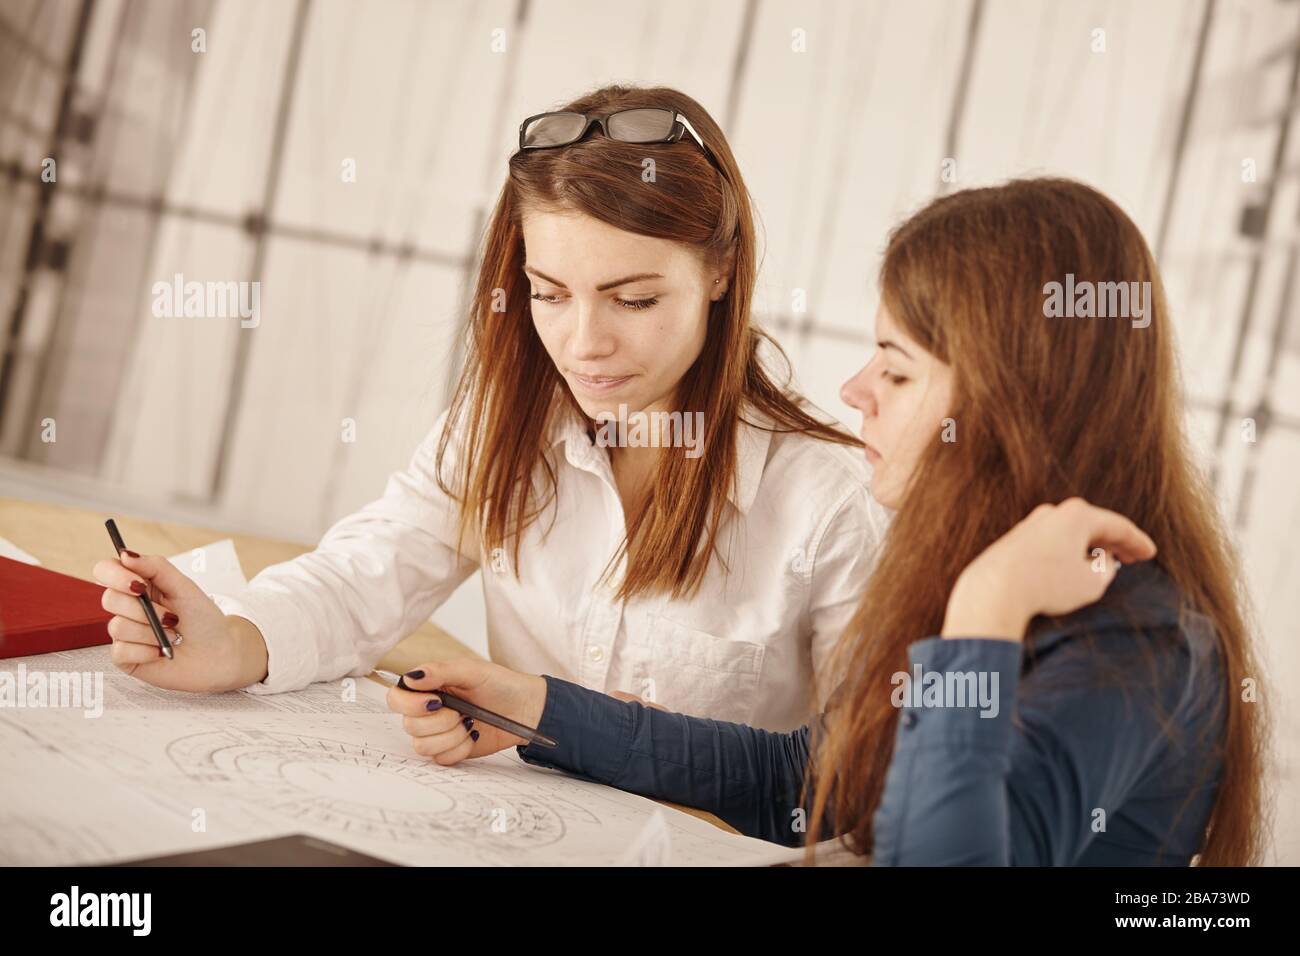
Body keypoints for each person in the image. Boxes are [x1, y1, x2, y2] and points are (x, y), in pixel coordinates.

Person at [379, 178, 1269, 866]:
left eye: (897, 369)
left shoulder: (1140, 646)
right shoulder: (997, 577)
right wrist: (541, 711)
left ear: (1010, 405)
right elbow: (816, 784)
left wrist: (984, 616)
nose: (854, 392)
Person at [92, 85, 887, 732]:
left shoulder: (831, 505)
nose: (584, 345)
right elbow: (364, 579)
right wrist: (235, 641)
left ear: (721, 272)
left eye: (635, 300)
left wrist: (637, 745)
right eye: (550, 294)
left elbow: (859, 778)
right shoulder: (502, 426)